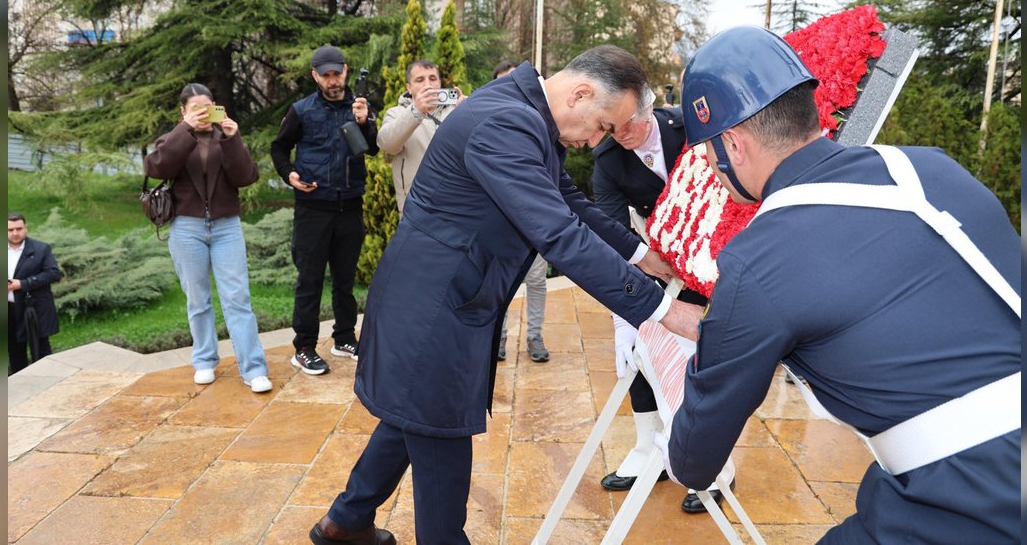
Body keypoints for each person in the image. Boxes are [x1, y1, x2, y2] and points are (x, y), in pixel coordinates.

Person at [309, 46, 705, 545]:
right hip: (434, 310)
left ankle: (345, 522)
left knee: (414, 414)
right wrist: (662, 310)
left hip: (448, 298)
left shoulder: (524, 113)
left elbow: (567, 199)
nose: (598, 140)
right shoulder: (505, 122)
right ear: (581, 94)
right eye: (604, 125)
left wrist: (642, 254)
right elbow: (559, 233)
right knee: (441, 436)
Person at [665, 26, 1021, 542]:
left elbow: (694, 462)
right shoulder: (932, 168)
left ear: (733, 146)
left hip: (979, 497)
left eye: (706, 154)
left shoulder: (758, 260)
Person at [591, 102, 729, 513]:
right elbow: (611, 238)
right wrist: (623, 317)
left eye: (628, 120)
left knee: (707, 353)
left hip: (721, 247)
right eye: (610, 127)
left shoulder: (686, 125)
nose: (621, 132)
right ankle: (645, 442)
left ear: (646, 102)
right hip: (659, 255)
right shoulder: (609, 162)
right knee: (640, 338)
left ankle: (718, 463)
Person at [144, 84, 272, 392]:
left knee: (237, 298)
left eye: (208, 107)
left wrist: (233, 138)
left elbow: (246, 177)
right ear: (184, 111)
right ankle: (203, 360)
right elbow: (156, 166)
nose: (203, 114)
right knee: (197, 299)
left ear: (216, 106)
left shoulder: (224, 137)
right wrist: (184, 131)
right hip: (186, 227)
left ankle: (253, 369)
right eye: (195, 109)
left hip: (227, 226)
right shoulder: (174, 138)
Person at [271, 45, 379, 376]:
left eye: (338, 73)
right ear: (315, 76)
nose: (333, 80)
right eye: (326, 75)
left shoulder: (360, 107)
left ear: (346, 70)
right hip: (313, 209)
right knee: (310, 280)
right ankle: (304, 347)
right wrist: (289, 174)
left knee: (345, 279)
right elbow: (278, 148)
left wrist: (365, 122)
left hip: (350, 205)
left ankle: (344, 338)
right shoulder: (301, 110)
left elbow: (373, 148)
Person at [492, 58, 549, 363]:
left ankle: (535, 335)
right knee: (500, 283)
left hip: (534, 220)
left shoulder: (540, 123)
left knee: (537, 279)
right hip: (501, 223)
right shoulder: (488, 122)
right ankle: (497, 335)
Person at [375, 59, 460, 213]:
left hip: (456, 206)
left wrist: (468, 111)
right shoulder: (396, 113)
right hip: (416, 210)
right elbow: (386, 144)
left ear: (440, 82)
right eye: (420, 80)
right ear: (409, 87)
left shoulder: (456, 110)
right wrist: (416, 112)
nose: (428, 84)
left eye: (433, 78)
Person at [7, 213, 61, 374]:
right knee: (14, 350)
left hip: (33, 309)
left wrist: (22, 284)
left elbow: (53, 273)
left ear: (26, 228)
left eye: (19, 229)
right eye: (10, 230)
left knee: (41, 348)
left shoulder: (40, 249)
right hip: (8, 311)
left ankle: (48, 383)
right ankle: (20, 388)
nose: (15, 233)